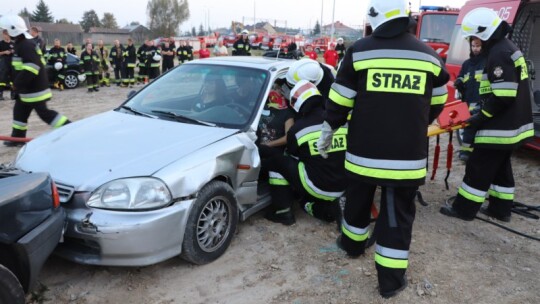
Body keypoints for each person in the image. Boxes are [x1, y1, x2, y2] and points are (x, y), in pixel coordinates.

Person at [317, 0, 449, 298]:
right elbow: (438, 99)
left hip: (364, 154)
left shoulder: (360, 51)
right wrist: (416, 122)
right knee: (397, 216)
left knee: (357, 202)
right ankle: (390, 282)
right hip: (407, 157)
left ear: (374, 19)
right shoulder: (429, 57)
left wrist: (329, 130)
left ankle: (351, 246)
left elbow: (339, 100)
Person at [439, 8, 533, 223]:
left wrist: (479, 117)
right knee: (500, 169)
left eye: (473, 37)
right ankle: (501, 210)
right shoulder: (505, 47)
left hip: (499, 126)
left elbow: (503, 96)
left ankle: (463, 209)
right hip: (510, 124)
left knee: (478, 166)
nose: (472, 41)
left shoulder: (499, 53)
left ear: (482, 33)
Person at [264, 80, 348, 225]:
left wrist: (266, 148)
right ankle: (332, 205)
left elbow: (291, 154)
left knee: (278, 163)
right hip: (345, 185)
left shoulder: (298, 129)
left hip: (317, 186)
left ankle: (282, 211)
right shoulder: (341, 120)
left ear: (296, 104)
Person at [0, 15, 70, 147]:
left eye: (5, 30)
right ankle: (17, 138)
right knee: (19, 112)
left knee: (45, 114)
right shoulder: (21, 42)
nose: (4, 32)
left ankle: (70, 128)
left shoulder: (25, 45)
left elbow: (32, 68)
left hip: (35, 90)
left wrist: (17, 84)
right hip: (27, 89)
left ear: (13, 30)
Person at [454, 37, 486, 162]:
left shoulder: (487, 62)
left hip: (480, 102)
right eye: (473, 46)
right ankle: (466, 152)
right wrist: (459, 82)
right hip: (467, 102)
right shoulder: (467, 63)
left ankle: (469, 153)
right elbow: (461, 76)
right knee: (468, 127)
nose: (475, 48)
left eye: (478, 46)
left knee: (474, 128)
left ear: (483, 46)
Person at [256, 83, 295, 179]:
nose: (273, 90)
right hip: (257, 147)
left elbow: (288, 137)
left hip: (274, 151)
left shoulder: (287, 113)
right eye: (271, 88)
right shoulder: (260, 107)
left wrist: (269, 144)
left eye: (276, 88)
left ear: (282, 91)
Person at [0, 29, 14, 101]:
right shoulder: (1, 43)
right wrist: (4, 52)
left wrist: (12, 51)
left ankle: (13, 94)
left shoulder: (13, 43)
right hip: (4, 62)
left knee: (13, 79)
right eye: (5, 34)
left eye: (8, 35)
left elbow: (17, 52)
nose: (7, 36)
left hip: (12, 62)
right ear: (3, 35)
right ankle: (0, 94)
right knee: (2, 78)